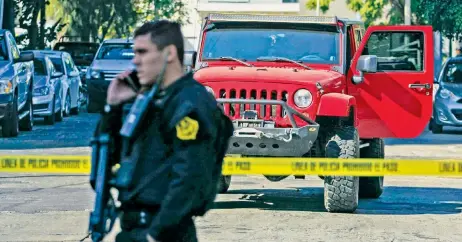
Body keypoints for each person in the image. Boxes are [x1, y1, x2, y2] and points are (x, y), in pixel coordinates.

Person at [95, 20, 233, 242]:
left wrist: (157, 234)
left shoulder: (190, 103)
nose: (135, 61)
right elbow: (108, 156)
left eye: (142, 52)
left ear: (169, 54)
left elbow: (190, 178)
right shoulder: (150, 101)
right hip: (134, 228)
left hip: (165, 232)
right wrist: (112, 108)